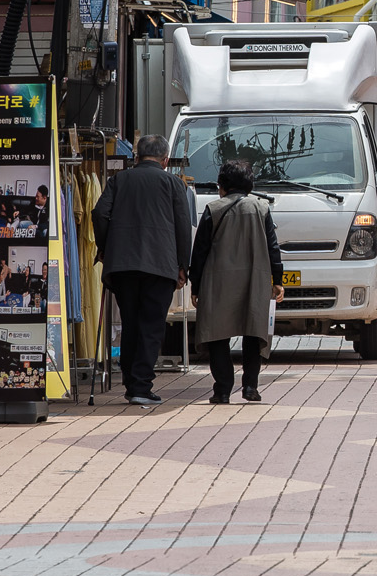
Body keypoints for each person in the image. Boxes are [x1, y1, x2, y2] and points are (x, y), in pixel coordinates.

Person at [92, 134, 195, 406]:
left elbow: (99, 213)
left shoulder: (119, 180)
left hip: (124, 265)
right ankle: (140, 385)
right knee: (151, 326)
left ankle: (131, 383)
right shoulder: (174, 183)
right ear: (164, 160)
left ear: (136, 157)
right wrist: (183, 266)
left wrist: (105, 247)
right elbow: (183, 226)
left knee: (131, 323)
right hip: (160, 266)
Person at [190, 161, 285, 403]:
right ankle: (250, 387)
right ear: (249, 185)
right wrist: (278, 280)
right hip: (255, 278)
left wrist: (196, 284)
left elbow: (199, 251)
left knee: (217, 334)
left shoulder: (213, 209)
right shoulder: (261, 208)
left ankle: (222, 389)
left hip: (217, 281)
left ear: (221, 186)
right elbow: (273, 248)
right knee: (253, 332)